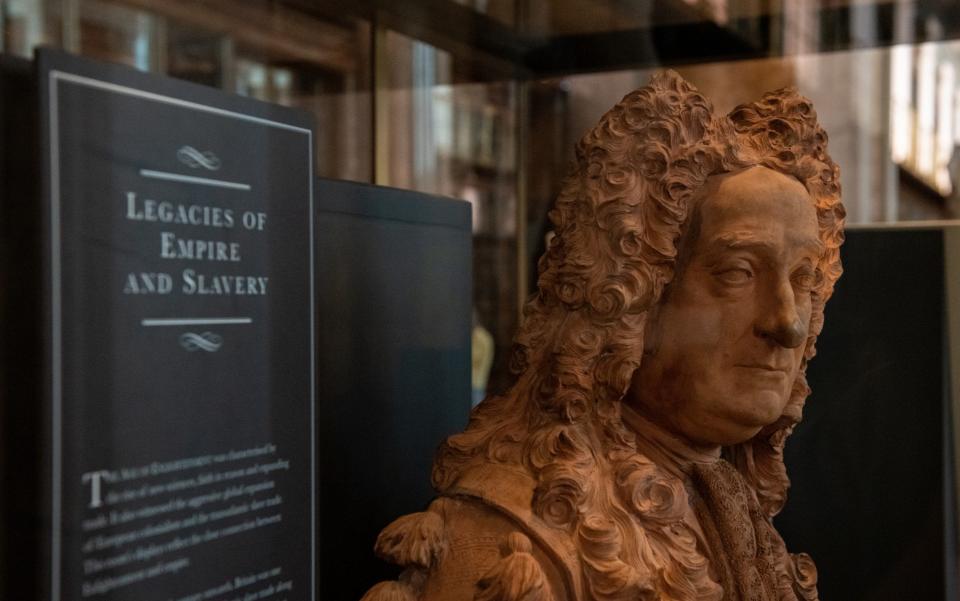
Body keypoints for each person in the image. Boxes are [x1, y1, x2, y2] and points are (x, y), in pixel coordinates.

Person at [360, 71, 844, 601]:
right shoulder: (514, 547)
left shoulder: (730, 508)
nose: (787, 322)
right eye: (737, 273)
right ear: (633, 299)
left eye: (801, 280)